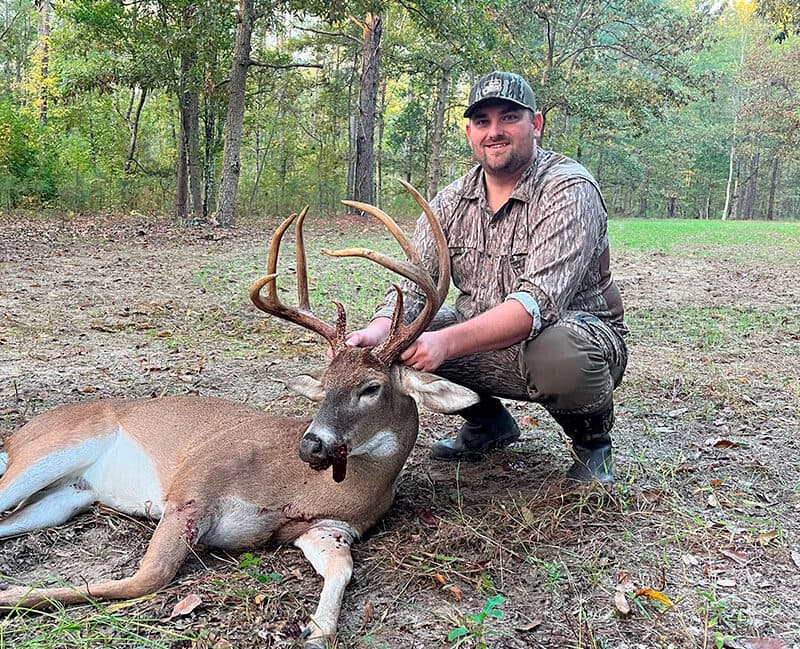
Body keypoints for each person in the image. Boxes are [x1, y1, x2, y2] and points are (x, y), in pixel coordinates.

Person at [346, 71, 628, 483]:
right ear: (469, 132)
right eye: (483, 121)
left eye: (508, 117)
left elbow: (535, 306)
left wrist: (443, 342)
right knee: (401, 339)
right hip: (480, 336)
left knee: (557, 351)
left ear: (536, 123)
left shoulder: (569, 189)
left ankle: (593, 445)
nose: (494, 131)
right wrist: (379, 330)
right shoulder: (450, 201)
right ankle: (488, 424)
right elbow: (413, 287)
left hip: (573, 340)